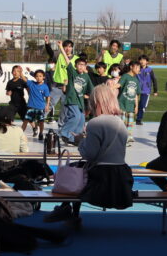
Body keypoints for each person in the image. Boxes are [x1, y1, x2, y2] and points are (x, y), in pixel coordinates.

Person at [45, 85, 133, 222]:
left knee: (73, 171)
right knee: (78, 168)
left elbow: (89, 154)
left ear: (96, 103)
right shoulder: (120, 122)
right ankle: (68, 211)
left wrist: (80, 141)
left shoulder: (95, 123)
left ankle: (67, 210)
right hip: (121, 173)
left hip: (102, 176)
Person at [57, 42, 93, 146]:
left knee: (81, 120)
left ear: (86, 66)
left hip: (80, 102)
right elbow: (67, 60)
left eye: (83, 65)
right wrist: (61, 48)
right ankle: (64, 133)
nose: (81, 67)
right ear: (76, 66)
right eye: (79, 65)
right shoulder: (73, 73)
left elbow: (91, 89)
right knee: (76, 116)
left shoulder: (86, 77)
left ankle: (74, 138)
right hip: (72, 99)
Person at [50, 38, 78, 125]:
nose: (67, 48)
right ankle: (39, 120)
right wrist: (47, 43)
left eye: (70, 47)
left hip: (69, 87)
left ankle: (61, 125)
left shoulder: (76, 59)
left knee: (64, 107)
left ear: (72, 48)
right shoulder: (59, 55)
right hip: (57, 85)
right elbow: (50, 52)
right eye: (65, 46)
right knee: (50, 104)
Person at [21, 69, 50, 141]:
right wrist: (21, 72)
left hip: (40, 107)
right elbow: (24, 79)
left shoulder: (45, 87)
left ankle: (41, 133)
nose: (38, 78)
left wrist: (47, 105)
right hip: (31, 106)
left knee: (41, 122)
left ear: (43, 77)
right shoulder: (31, 83)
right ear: (34, 77)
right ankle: (20, 134)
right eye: (37, 76)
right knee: (25, 121)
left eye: (40, 76)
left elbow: (47, 96)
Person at [116, 61, 140, 145]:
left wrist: (136, 106)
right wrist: (110, 87)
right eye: (137, 67)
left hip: (131, 105)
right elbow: (119, 85)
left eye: (139, 68)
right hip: (122, 103)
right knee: (122, 122)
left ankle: (128, 137)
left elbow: (136, 94)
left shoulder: (136, 80)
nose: (138, 69)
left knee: (130, 123)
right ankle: (122, 139)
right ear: (131, 67)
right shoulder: (125, 76)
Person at [136, 55, 158, 125]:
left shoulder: (150, 70)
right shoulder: (136, 69)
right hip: (136, 90)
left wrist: (155, 91)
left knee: (142, 105)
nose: (142, 61)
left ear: (147, 62)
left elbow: (154, 80)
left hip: (146, 90)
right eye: (141, 60)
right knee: (133, 105)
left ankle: (138, 119)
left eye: (144, 60)